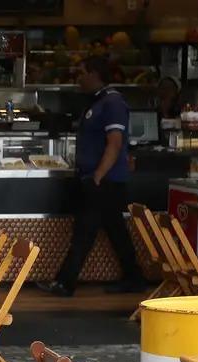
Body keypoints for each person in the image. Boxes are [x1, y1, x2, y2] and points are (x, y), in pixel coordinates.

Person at [37, 57, 146, 297]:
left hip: (105, 181)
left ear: (95, 74)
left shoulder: (112, 102)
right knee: (116, 231)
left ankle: (65, 283)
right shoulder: (98, 101)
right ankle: (134, 277)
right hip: (98, 179)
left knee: (84, 232)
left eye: (82, 72)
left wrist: (98, 176)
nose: (78, 78)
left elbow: (115, 143)